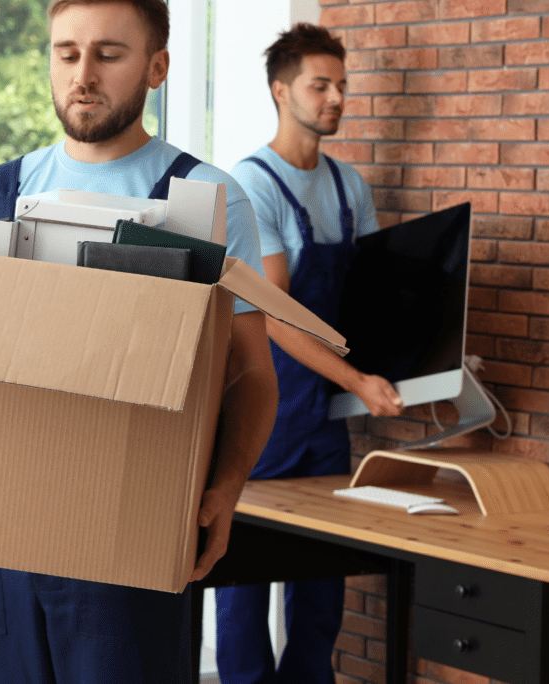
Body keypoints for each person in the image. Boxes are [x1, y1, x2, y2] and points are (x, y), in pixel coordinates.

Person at [0, 2, 279, 682]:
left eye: (109, 54)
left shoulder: (206, 199)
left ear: (156, 67)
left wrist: (227, 484)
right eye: (66, 54)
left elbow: (251, 370)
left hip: (133, 523)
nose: (83, 75)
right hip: (0, 536)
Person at [213, 23, 404, 684]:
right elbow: (271, 314)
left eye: (342, 86)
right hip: (266, 406)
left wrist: (427, 369)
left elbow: (373, 298)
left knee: (322, 587)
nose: (335, 99)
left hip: (327, 416)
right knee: (244, 582)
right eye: (319, 85)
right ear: (280, 91)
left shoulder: (350, 185)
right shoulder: (251, 185)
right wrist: (359, 378)